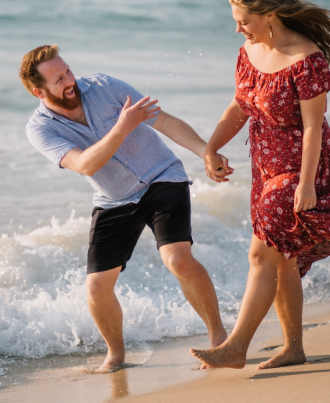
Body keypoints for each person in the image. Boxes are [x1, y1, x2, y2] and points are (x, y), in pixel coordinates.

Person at [191, 0, 330, 370]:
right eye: (236, 21)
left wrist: (306, 184)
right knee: (282, 257)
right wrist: (211, 147)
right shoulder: (248, 50)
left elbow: (313, 128)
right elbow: (239, 107)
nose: (238, 29)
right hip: (264, 166)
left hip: (304, 167)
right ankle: (293, 348)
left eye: (244, 20)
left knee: (260, 254)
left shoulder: (307, 60)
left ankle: (236, 347)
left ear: (269, 14)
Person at [19, 45, 228, 373]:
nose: (70, 80)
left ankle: (219, 339)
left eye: (68, 71)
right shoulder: (40, 129)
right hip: (113, 198)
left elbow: (165, 122)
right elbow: (86, 164)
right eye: (58, 79)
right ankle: (115, 355)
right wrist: (123, 126)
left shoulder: (105, 86)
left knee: (177, 259)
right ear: (38, 91)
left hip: (162, 177)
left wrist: (206, 151)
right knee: (97, 286)